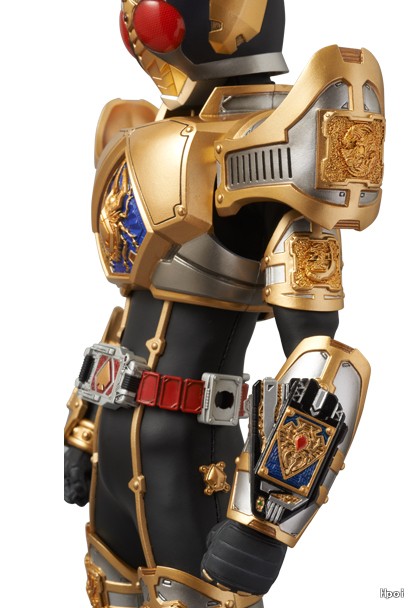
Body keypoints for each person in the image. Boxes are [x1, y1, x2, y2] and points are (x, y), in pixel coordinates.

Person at [64, 2, 384, 606]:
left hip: (195, 473)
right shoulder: (139, 138)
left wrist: (265, 521)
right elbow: (131, 313)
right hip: (113, 461)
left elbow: (320, 362)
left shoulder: (280, 147)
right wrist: (83, 425)